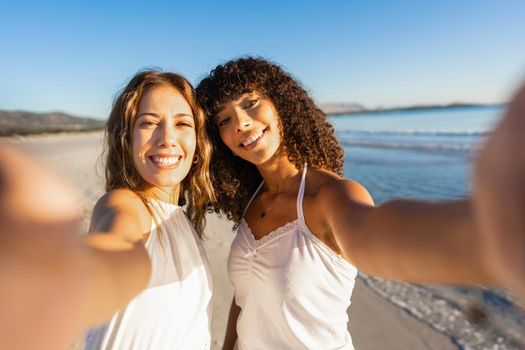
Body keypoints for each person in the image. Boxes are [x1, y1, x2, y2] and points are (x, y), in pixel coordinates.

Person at [195, 57, 525, 350]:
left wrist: (496, 234)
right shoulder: (253, 201)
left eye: (250, 103)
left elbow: (378, 235)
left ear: (280, 104)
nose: (240, 122)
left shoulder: (331, 197)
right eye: (224, 119)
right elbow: (245, 300)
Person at [0, 70, 216, 350]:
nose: (166, 138)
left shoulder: (179, 218)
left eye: (182, 124)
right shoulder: (125, 203)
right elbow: (118, 248)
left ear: (198, 143)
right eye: (149, 123)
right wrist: (55, 283)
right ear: (127, 139)